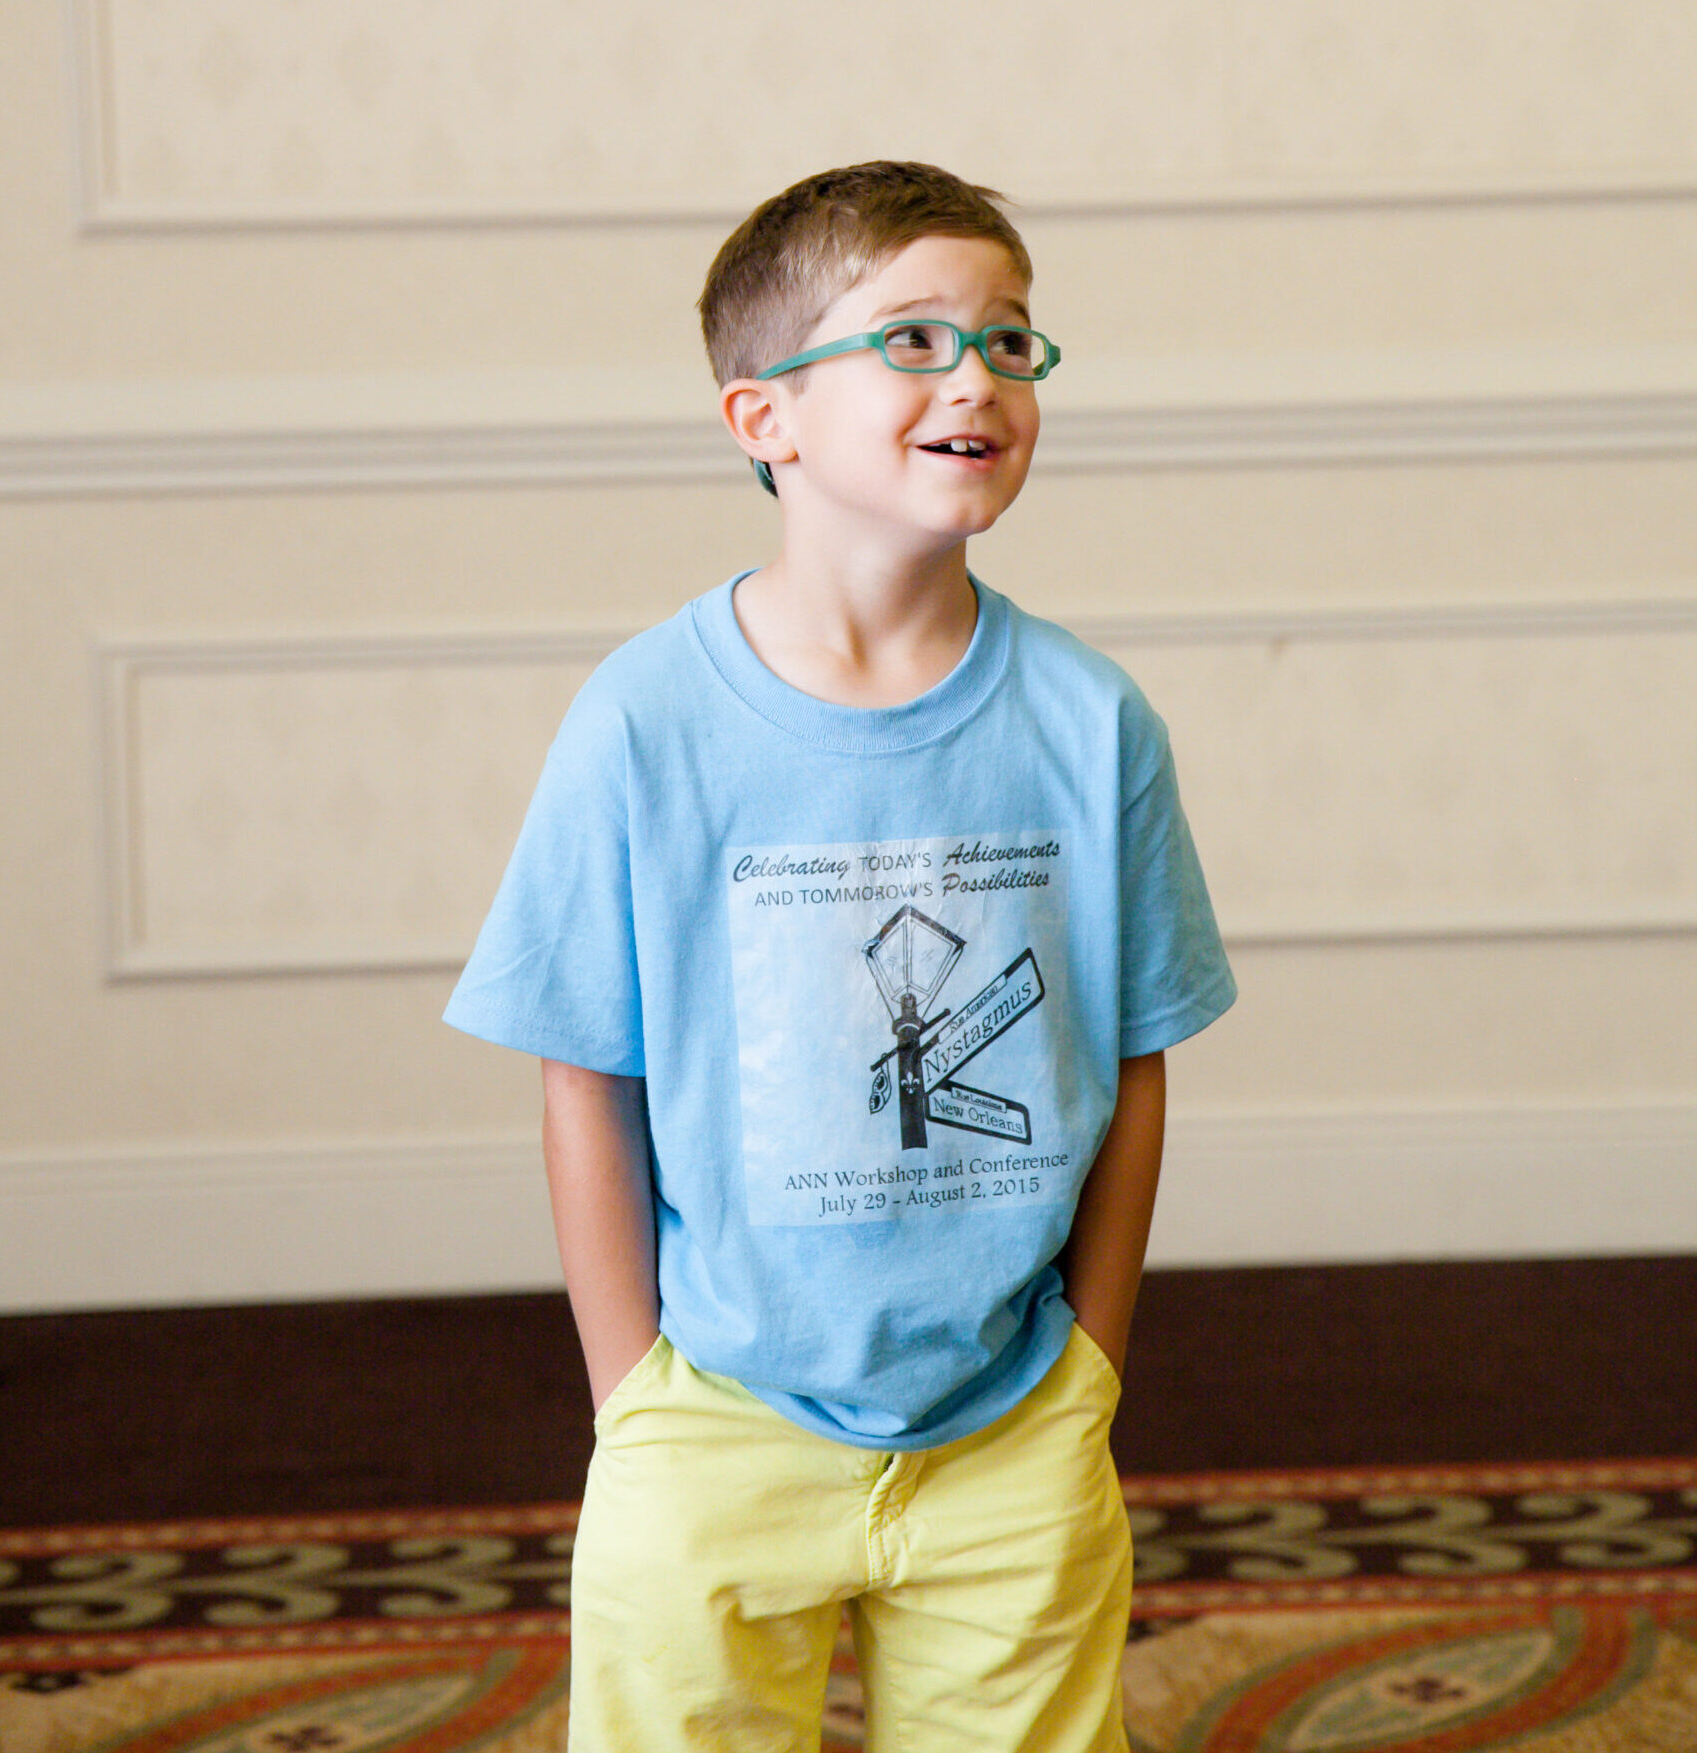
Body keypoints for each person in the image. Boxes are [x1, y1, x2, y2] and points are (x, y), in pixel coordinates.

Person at [445, 160, 1236, 1752]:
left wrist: (1087, 1364)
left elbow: (1129, 1055)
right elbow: (584, 1077)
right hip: (716, 1420)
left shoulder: (1088, 726)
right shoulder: (645, 725)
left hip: (1013, 1426)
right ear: (765, 420)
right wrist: (634, 1401)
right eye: (914, 340)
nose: (978, 378)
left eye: (1011, 342)